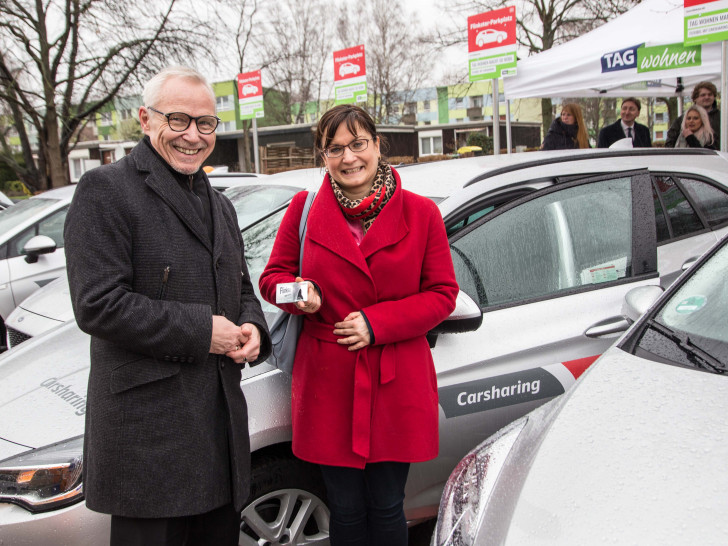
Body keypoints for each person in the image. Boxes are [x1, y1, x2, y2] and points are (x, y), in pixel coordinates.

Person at [64, 66, 271, 546]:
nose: (193, 136)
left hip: (217, 442)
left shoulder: (220, 205)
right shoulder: (106, 190)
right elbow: (97, 304)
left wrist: (251, 326)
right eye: (178, 120)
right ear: (145, 119)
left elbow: (240, 289)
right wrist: (205, 332)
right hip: (149, 450)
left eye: (205, 124)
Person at [259, 104, 459, 545]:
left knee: (388, 505)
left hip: (394, 379)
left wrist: (377, 322)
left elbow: (443, 294)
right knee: (345, 508)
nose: (348, 157)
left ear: (376, 145)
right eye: (335, 149)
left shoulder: (421, 213)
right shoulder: (305, 208)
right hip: (328, 382)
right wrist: (301, 295)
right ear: (322, 156)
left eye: (357, 144)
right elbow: (272, 280)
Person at [665, 81, 720, 149]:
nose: (707, 97)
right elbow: (670, 143)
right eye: (703, 95)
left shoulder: (722, 118)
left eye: (710, 94)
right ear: (695, 98)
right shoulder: (681, 120)